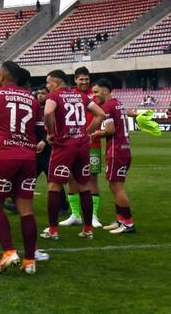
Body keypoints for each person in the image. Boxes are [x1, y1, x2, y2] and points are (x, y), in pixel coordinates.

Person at [0, 61, 42, 274]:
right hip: (29, 157)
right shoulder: (32, 100)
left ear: (2, 76)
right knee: (26, 210)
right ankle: (30, 261)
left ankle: (9, 251)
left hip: (5, 156)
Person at [40, 70, 104, 240]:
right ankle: (87, 228)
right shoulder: (80, 97)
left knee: (54, 186)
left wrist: (50, 132)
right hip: (82, 146)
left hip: (63, 146)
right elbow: (101, 114)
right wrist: (86, 132)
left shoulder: (54, 97)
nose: (47, 86)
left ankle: (53, 230)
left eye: (48, 82)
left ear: (55, 82)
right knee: (85, 186)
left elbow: (47, 113)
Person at [90, 80, 135, 234]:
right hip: (123, 150)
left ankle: (128, 223)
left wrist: (96, 134)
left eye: (96, 92)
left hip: (117, 151)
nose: (94, 95)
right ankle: (121, 220)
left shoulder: (108, 106)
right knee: (113, 186)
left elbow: (109, 130)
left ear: (104, 91)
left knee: (117, 187)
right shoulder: (118, 103)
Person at [60, 67, 102, 228]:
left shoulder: (96, 94)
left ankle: (93, 216)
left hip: (93, 143)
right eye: (81, 79)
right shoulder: (70, 95)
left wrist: (89, 132)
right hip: (73, 144)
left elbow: (104, 113)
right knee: (70, 178)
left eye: (86, 79)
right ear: (75, 80)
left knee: (92, 179)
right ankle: (75, 215)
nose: (84, 82)